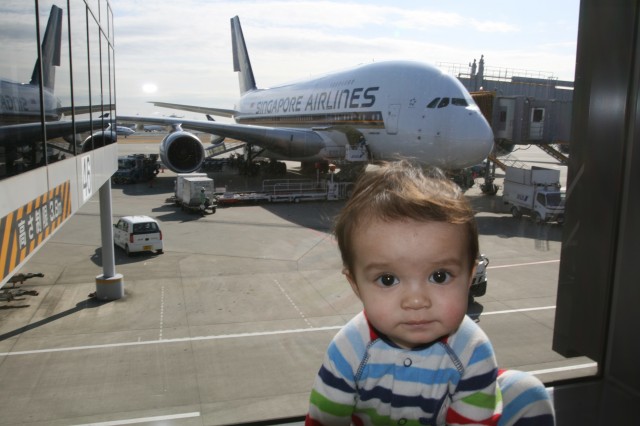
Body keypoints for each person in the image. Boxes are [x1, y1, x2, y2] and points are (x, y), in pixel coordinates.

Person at [306, 160, 554, 425]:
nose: (416, 300)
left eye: (439, 276)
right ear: (355, 284)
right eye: (388, 279)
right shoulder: (348, 351)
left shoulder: (472, 350)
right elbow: (324, 420)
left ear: (470, 277)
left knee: (527, 392)